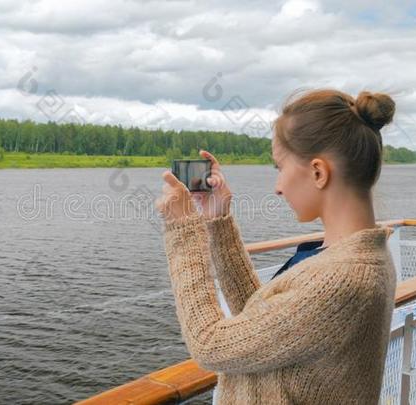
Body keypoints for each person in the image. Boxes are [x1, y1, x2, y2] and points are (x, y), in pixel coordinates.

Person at [154, 89, 397, 404]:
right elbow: (261, 322)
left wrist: (184, 230)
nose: (278, 187)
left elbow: (210, 344)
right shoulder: (350, 258)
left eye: (279, 168)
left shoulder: (341, 281)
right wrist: (218, 221)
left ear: (318, 172)